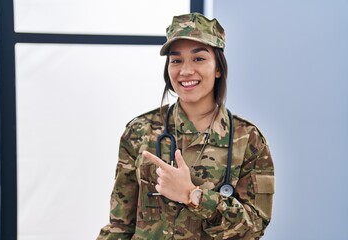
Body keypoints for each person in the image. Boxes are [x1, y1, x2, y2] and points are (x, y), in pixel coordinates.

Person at [97, 12, 275, 240]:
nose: (186, 71)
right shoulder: (140, 131)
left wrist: (193, 195)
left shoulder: (248, 139)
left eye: (199, 58)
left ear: (218, 68)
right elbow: (119, 226)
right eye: (176, 60)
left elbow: (253, 228)